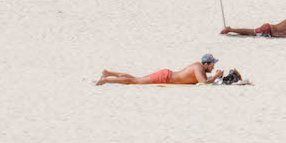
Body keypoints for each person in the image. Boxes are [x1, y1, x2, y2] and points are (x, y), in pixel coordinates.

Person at [95, 53, 224, 85]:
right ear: (206, 63)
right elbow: (203, 83)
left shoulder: (199, 68)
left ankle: (108, 73)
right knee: (135, 81)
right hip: (166, 77)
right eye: (212, 64)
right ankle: (106, 80)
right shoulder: (198, 67)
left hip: (166, 75)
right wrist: (216, 77)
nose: (213, 67)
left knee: (136, 79)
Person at [222, 9, 286, 37]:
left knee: (250, 32)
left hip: (269, 28)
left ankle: (230, 29)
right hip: (268, 30)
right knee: (250, 32)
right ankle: (230, 29)